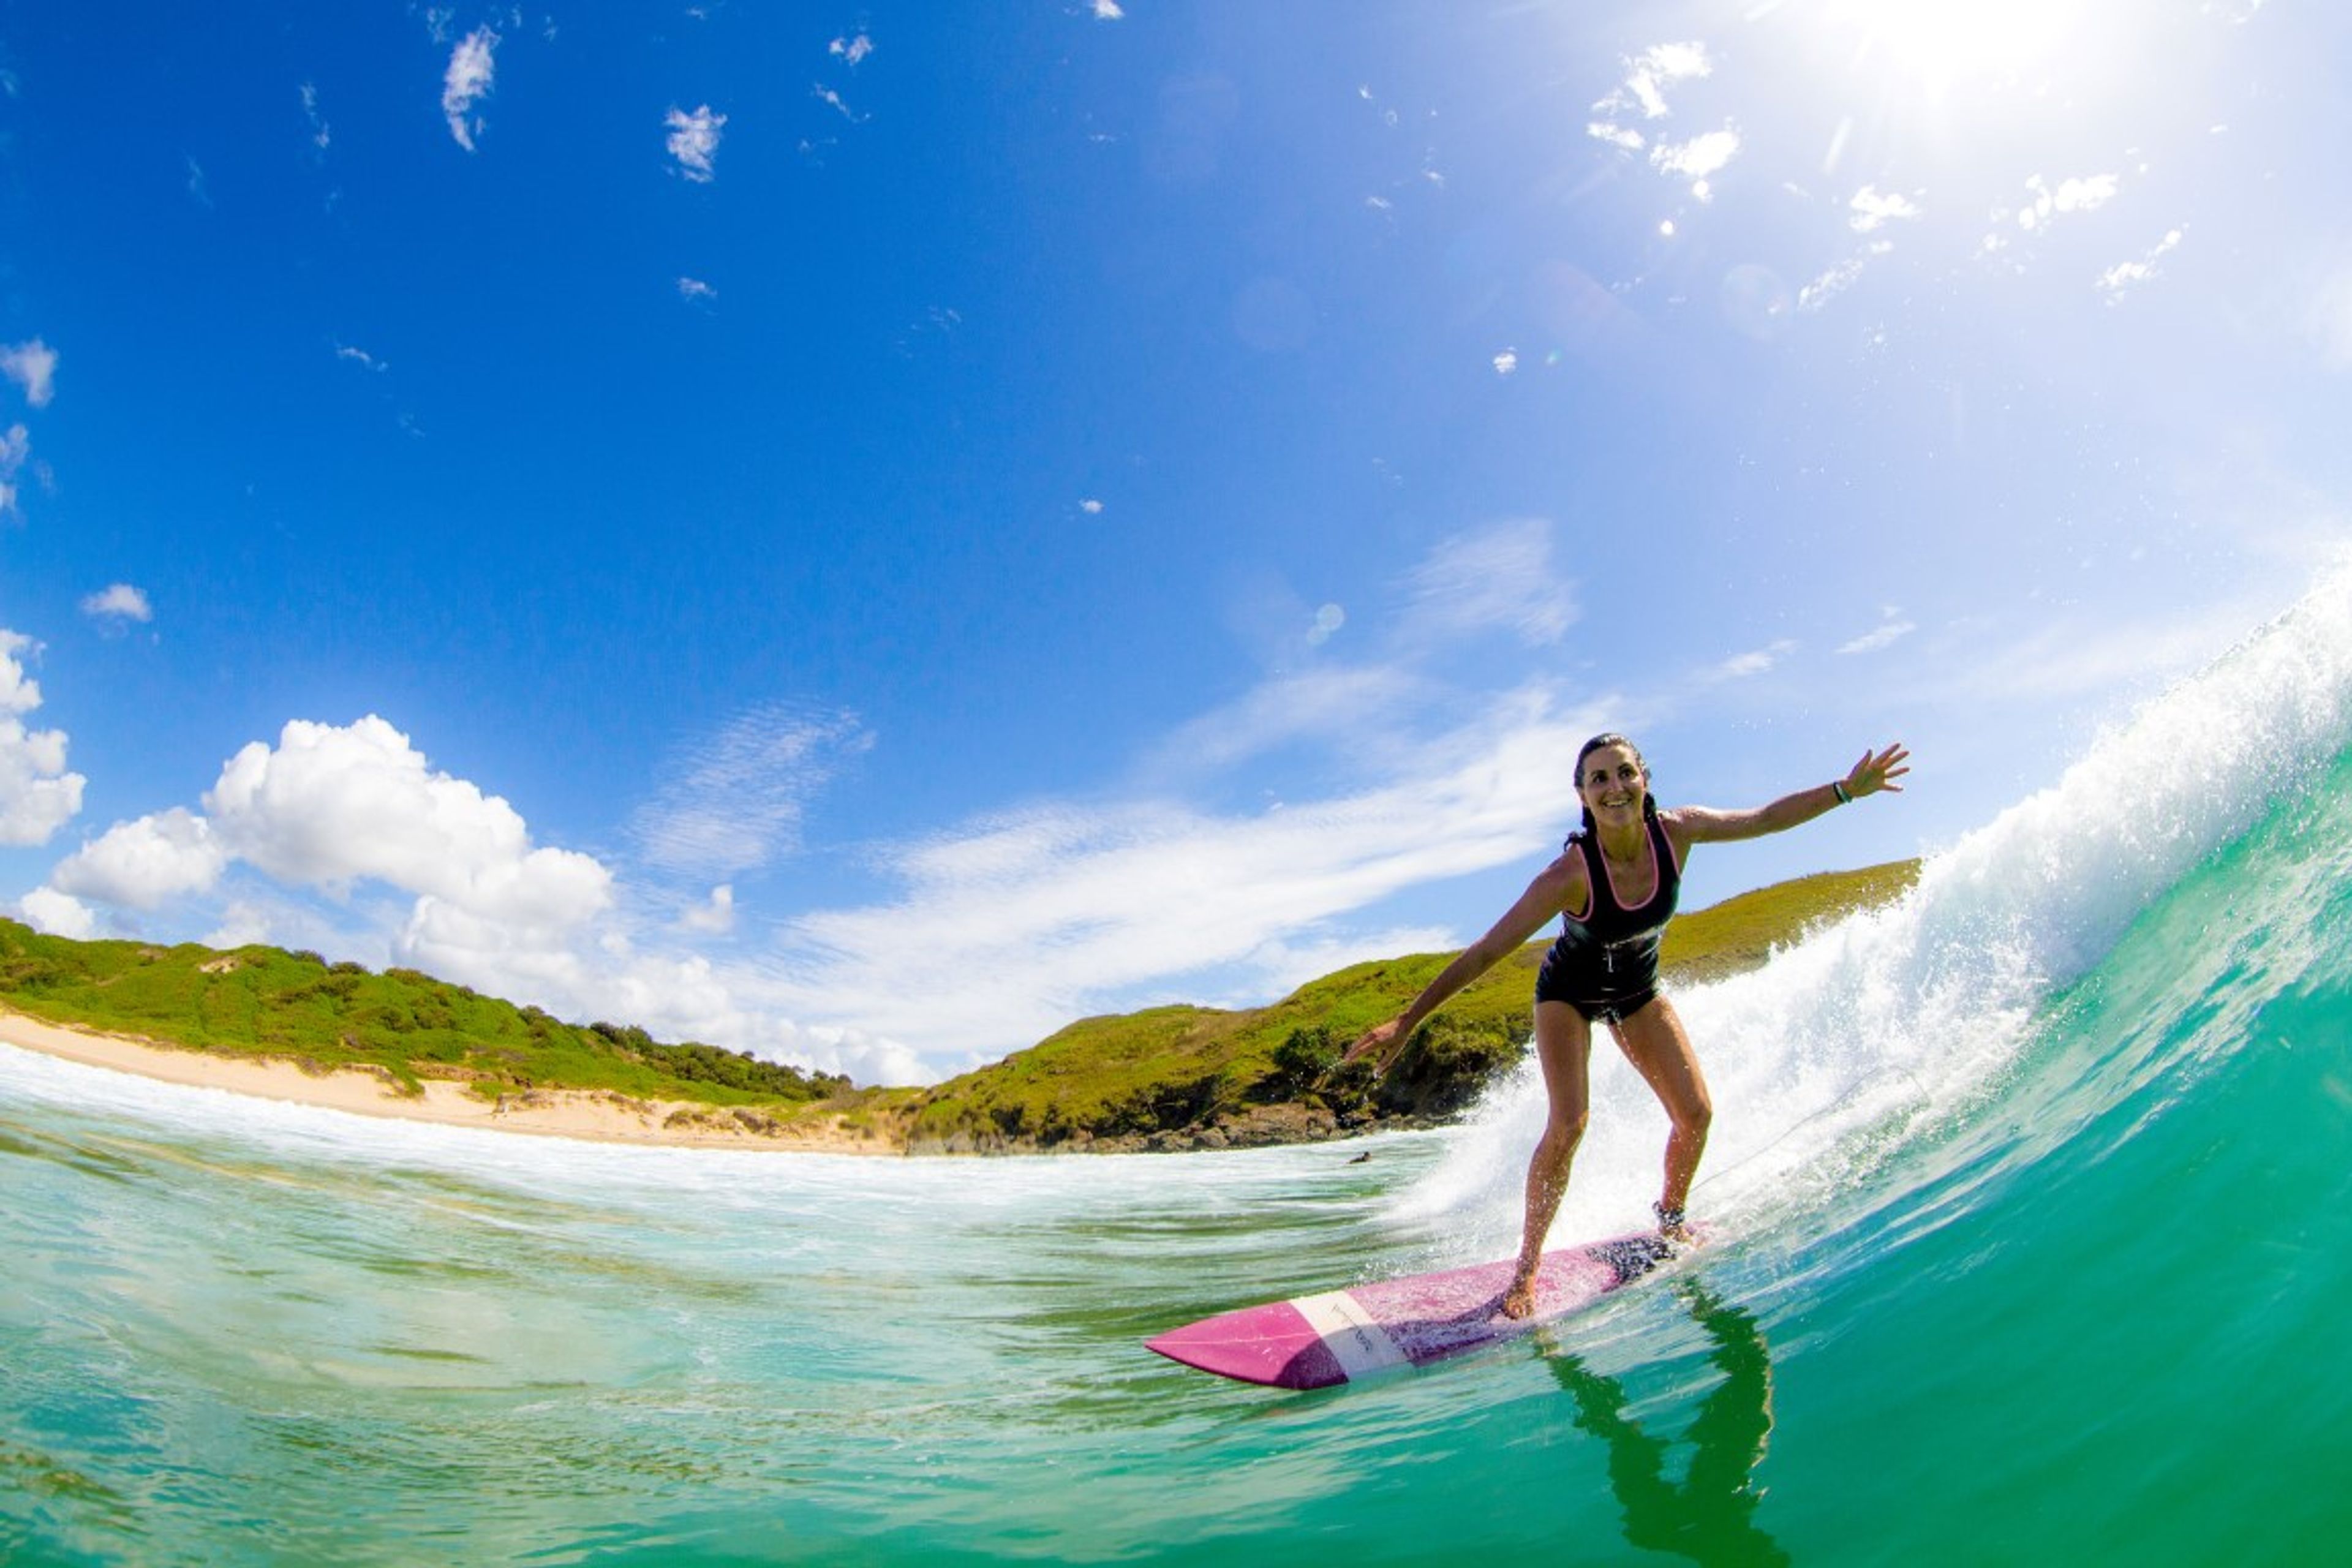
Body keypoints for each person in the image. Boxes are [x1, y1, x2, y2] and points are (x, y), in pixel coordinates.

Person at [1344, 733, 1909, 1319]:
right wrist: (1408, 1020)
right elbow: (1488, 950)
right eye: (1599, 779)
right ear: (1583, 797)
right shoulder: (1568, 875)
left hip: (1638, 991)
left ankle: (1669, 1220)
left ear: (1643, 778)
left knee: (1696, 1114)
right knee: (1569, 1124)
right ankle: (1526, 1269)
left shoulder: (1679, 831)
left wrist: (1845, 791)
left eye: (1623, 773)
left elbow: (1764, 819)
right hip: (1568, 994)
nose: (1614, 788)